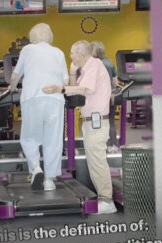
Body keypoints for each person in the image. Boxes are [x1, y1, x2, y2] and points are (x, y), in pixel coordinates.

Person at [44, 40, 116, 214]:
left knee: (98, 162)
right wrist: (72, 72)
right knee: (94, 161)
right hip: (91, 121)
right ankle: (104, 198)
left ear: (81, 54)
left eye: (72, 53)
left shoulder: (94, 65)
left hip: (96, 121)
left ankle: (107, 201)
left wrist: (58, 89)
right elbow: (77, 86)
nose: (70, 56)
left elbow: (83, 89)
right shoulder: (86, 68)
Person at [8, 23, 68, 191]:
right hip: (55, 99)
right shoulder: (59, 52)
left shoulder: (27, 50)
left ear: (33, 36)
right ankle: (49, 180)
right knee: (53, 139)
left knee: (29, 136)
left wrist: (12, 87)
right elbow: (65, 81)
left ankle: (36, 168)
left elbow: (15, 75)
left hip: (32, 97)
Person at [91, 41, 119, 153]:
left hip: (98, 98)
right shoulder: (109, 62)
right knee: (110, 121)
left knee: (97, 122)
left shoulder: (94, 64)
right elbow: (115, 81)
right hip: (110, 96)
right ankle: (113, 145)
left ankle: (99, 146)